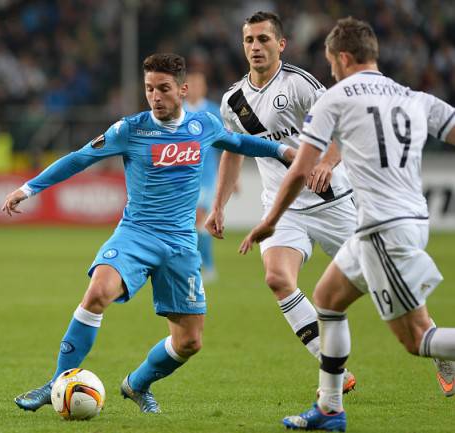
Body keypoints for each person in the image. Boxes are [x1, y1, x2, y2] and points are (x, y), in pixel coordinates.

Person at [2, 53, 296, 414]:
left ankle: (137, 384)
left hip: (180, 244)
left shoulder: (204, 125)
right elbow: (79, 158)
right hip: (136, 235)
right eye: (149, 89)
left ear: (183, 89)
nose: (155, 96)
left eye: (163, 89)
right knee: (98, 292)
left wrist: (283, 151)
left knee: (189, 341)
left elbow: (239, 144)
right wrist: (29, 189)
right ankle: (58, 382)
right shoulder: (131, 129)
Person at [240, 17, 455, 432]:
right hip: (392, 221)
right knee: (327, 300)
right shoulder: (414, 97)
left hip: (381, 228)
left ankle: (333, 408)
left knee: (417, 342)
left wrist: (269, 222)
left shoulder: (334, 100)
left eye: (331, 62)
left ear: (341, 57)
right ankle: (330, 409)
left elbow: (301, 169)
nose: (331, 70)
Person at [205, 11, 356, 391]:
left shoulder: (301, 85)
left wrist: (327, 160)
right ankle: (330, 362)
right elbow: (233, 151)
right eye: (249, 40)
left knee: (384, 282)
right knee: (276, 278)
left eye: (263, 40)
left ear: (281, 44)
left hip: (332, 202)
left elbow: (339, 128)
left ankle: (437, 347)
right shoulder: (233, 101)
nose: (255, 47)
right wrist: (219, 205)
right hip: (282, 210)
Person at [185, 71, 222, 281]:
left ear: (204, 87)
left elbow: (224, 145)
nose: (195, 88)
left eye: (199, 84)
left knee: (199, 218)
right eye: (191, 84)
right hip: (182, 178)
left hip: (206, 176)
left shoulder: (213, 111)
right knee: (189, 223)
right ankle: (194, 265)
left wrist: (231, 178)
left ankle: (206, 266)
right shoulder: (177, 111)